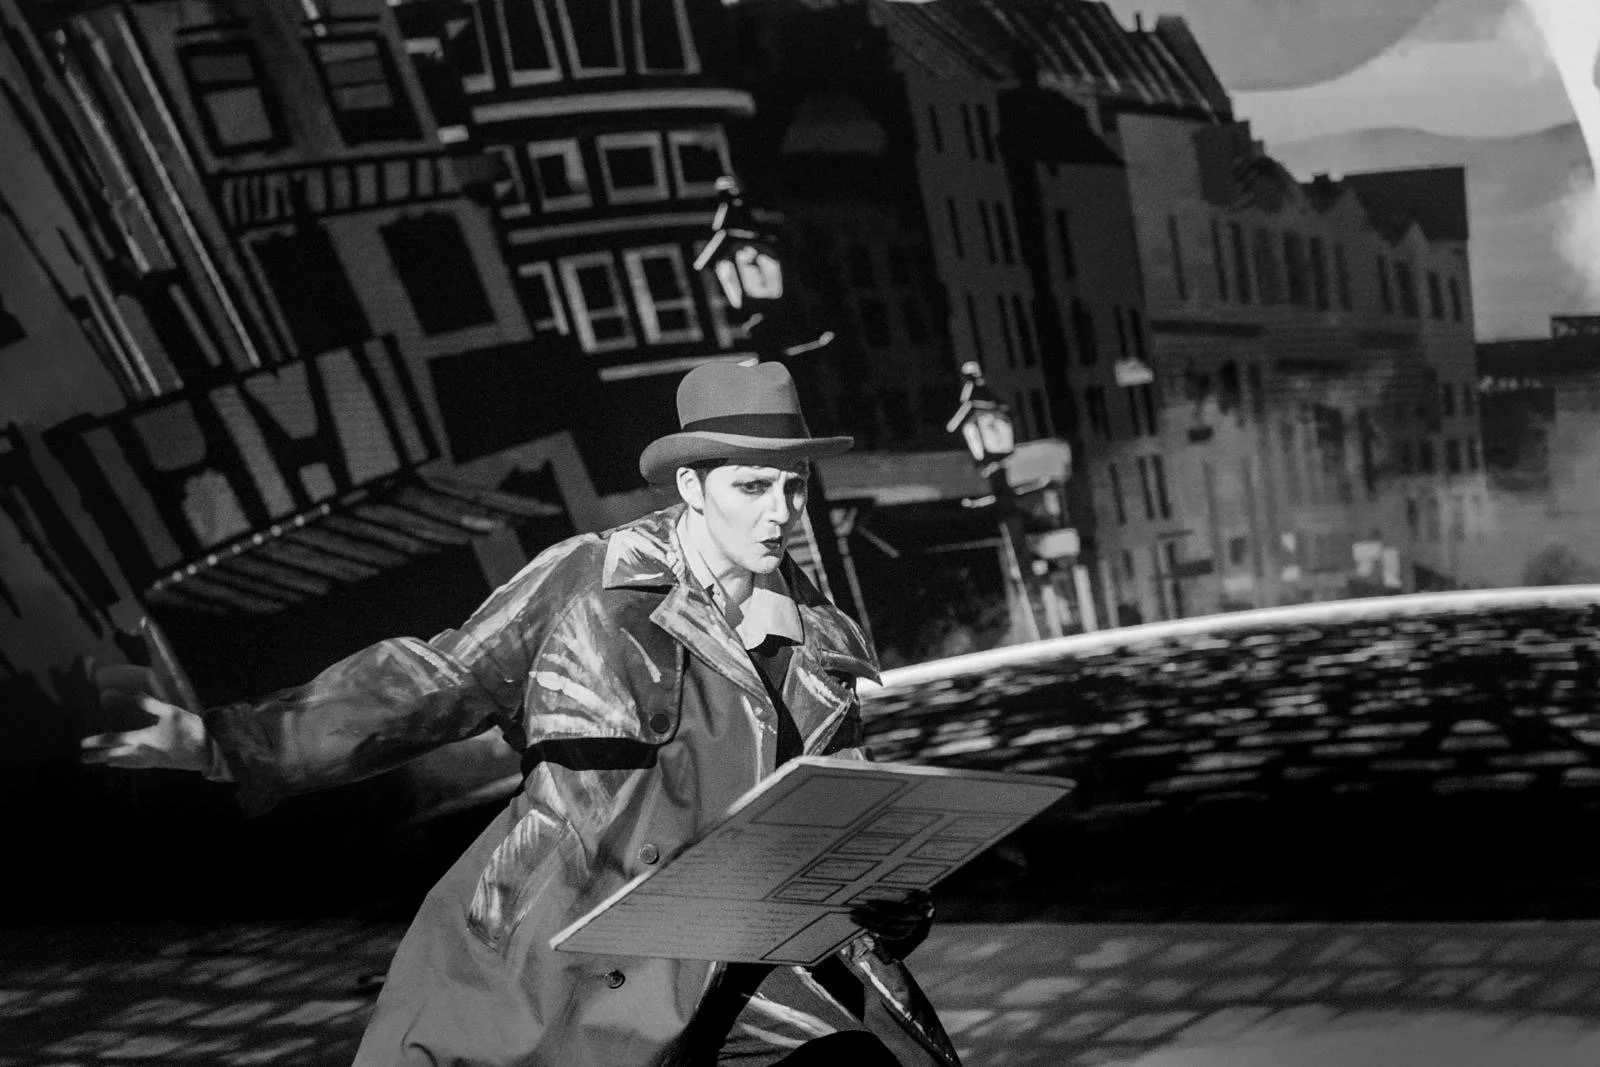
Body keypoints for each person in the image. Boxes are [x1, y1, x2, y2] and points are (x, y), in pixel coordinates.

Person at [82, 360, 961, 1067]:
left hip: (744, 972)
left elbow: (840, 823)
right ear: (692, 486)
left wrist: (891, 903)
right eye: (752, 486)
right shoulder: (591, 583)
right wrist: (223, 742)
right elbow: (435, 682)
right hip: (565, 962)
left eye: (793, 487)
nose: (781, 513)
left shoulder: (820, 638)